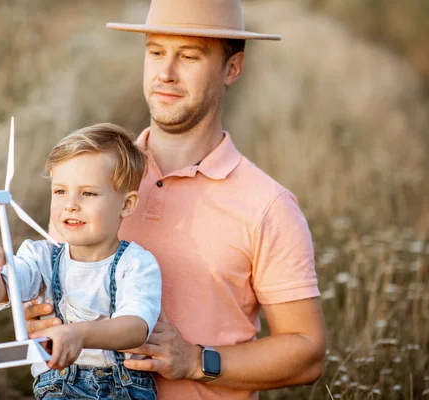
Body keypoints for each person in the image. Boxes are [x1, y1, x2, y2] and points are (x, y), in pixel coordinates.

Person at [25, 0, 327, 399]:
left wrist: (198, 361)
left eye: (188, 56)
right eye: (155, 53)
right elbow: (51, 290)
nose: (165, 73)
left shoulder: (267, 205)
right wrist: (40, 317)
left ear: (232, 69)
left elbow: (307, 352)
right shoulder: (89, 180)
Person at [0, 123, 162, 399]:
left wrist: (80, 334)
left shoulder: (136, 263)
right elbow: (0, 294)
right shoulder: (41, 256)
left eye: (88, 193)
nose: (70, 204)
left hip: (123, 389)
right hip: (59, 386)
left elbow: (135, 327)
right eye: (60, 191)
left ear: (126, 204)